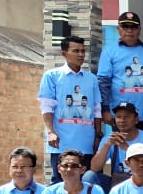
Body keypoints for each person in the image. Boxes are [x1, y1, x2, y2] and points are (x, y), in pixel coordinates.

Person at [40, 36, 102, 182]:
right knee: (60, 183)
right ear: (64, 53)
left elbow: (96, 109)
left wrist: (97, 136)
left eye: (82, 51)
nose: (80, 55)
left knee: (86, 183)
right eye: (75, 51)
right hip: (61, 144)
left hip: (86, 144)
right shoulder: (52, 76)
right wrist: (51, 132)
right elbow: (46, 106)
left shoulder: (92, 79)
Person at [98, 11, 143, 129]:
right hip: (121, 116)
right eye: (125, 27)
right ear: (118, 29)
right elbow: (103, 83)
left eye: (133, 27)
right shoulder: (109, 51)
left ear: (139, 30)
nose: (129, 30)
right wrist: (105, 109)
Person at [88, 101, 143, 192]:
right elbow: (94, 167)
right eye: (118, 117)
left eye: (127, 117)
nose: (122, 120)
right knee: (89, 176)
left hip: (140, 180)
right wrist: (107, 145)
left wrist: (126, 148)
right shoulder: (109, 138)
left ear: (136, 120)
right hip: (116, 181)